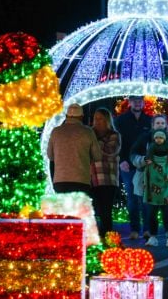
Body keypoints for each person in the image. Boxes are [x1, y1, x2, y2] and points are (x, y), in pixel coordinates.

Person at [130, 114, 168, 247]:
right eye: (157, 123)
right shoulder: (145, 138)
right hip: (149, 180)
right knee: (151, 209)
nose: (160, 125)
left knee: (167, 208)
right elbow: (133, 153)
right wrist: (142, 160)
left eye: (162, 123)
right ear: (152, 125)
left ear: (166, 125)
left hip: (167, 180)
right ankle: (153, 236)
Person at [113, 96, 152, 239]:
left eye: (140, 100)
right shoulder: (121, 120)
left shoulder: (149, 121)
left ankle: (147, 229)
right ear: (129, 102)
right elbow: (117, 142)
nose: (137, 103)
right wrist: (121, 160)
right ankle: (134, 229)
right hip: (127, 165)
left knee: (145, 198)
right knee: (132, 198)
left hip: (144, 165)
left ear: (143, 102)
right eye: (134, 100)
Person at [47, 103, 102, 194]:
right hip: (81, 181)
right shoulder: (88, 132)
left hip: (60, 181)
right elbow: (97, 156)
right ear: (81, 117)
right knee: (79, 208)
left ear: (66, 116)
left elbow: (50, 156)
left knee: (63, 208)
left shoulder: (56, 132)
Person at [90, 107, 121, 238]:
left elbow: (109, 151)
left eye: (100, 119)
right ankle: (96, 236)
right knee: (94, 209)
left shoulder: (114, 135)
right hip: (91, 177)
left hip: (107, 178)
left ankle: (107, 235)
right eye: (95, 118)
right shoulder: (89, 134)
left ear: (107, 120)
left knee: (105, 209)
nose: (97, 121)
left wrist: (92, 143)